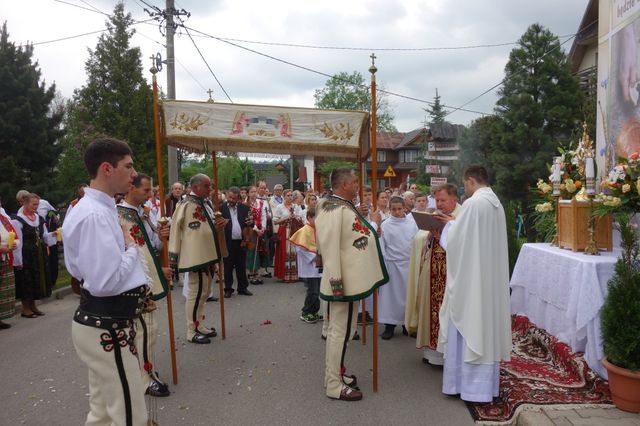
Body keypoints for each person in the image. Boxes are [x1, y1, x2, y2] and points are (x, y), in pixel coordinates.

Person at [62, 137, 149, 425]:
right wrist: (131, 249)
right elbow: (105, 282)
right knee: (129, 412)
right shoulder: (95, 214)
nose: (134, 174)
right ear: (106, 169)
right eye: (128, 166)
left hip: (105, 323)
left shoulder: (96, 209)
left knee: (101, 412)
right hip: (106, 326)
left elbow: (81, 270)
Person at [437, 166, 512, 403]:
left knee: (468, 323)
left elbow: (456, 241)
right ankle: (483, 388)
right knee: (484, 326)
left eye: (464, 185)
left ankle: (464, 386)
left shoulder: (473, 204)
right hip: (487, 276)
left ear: (470, 181)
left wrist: (449, 225)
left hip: (471, 280)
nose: (464, 190)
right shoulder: (495, 203)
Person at [315, 167, 389, 402]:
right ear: (344, 185)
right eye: (355, 182)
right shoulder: (333, 208)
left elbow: (350, 238)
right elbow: (334, 245)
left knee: (345, 331)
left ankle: (335, 375)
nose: (358, 186)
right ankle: (333, 384)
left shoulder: (339, 206)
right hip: (342, 282)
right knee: (339, 332)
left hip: (348, 280)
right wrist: (375, 224)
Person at [118, 173, 172, 398]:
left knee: (146, 329)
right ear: (132, 189)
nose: (150, 195)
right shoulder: (120, 216)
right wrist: (158, 271)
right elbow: (130, 252)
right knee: (145, 329)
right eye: (146, 191)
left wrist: (161, 235)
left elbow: (152, 247)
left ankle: (145, 370)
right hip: (135, 282)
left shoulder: (143, 214)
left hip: (146, 278)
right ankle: (144, 378)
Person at [405, 183, 461, 365]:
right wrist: (429, 237)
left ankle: (447, 356)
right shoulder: (434, 215)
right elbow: (420, 241)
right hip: (432, 273)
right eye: (437, 200)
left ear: (455, 199)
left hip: (451, 276)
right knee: (430, 309)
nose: (439, 204)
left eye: (443, 200)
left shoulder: (462, 217)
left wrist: (447, 232)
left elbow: (464, 245)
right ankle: (431, 353)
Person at [169, 173, 224, 344]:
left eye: (210, 186)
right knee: (196, 292)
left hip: (207, 255)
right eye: (206, 186)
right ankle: (191, 330)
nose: (210, 189)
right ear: (195, 187)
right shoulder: (185, 204)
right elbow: (175, 229)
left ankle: (199, 324)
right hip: (195, 257)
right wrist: (173, 256)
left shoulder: (203, 203)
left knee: (204, 293)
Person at [378, 197, 418, 340]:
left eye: (399, 209)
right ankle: (390, 327)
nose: (396, 212)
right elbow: (382, 246)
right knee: (391, 298)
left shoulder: (413, 224)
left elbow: (416, 242)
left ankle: (407, 326)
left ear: (404, 208)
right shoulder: (385, 225)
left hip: (408, 264)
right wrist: (383, 266)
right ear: (390, 209)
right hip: (392, 265)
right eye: (393, 209)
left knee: (408, 297)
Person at [13, 193, 57, 317]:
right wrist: (18, 260)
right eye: (34, 204)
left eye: (37, 204)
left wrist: (53, 234)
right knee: (26, 280)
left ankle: (33, 306)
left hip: (38, 254)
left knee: (36, 279)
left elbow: (44, 236)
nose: (36, 207)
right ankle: (25, 308)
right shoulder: (18, 220)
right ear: (25, 203)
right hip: (26, 254)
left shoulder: (38, 218)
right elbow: (18, 241)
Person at [290, 208, 322, 323]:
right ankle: (306, 312)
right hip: (310, 266)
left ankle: (314, 311)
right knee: (312, 291)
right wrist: (314, 257)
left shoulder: (320, 230)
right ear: (309, 217)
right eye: (316, 217)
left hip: (319, 266)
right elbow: (299, 248)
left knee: (317, 291)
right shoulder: (304, 230)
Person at [221, 186, 253, 298]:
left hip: (242, 241)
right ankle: (228, 289)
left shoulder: (244, 208)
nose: (231, 200)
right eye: (230, 197)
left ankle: (242, 288)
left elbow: (250, 223)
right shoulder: (221, 208)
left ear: (238, 197)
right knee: (228, 266)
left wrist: (251, 222)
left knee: (241, 266)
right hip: (228, 241)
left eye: (234, 198)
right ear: (227, 195)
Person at [273, 189, 304, 283]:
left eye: (291, 195)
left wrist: (295, 217)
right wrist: (285, 218)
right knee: (284, 251)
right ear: (284, 196)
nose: (290, 197)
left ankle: (294, 275)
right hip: (284, 231)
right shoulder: (279, 207)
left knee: (295, 251)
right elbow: (275, 221)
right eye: (288, 195)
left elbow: (301, 218)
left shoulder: (296, 207)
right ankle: (284, 275)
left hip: (294, 231)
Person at [0, 201, 20, 329]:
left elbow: (15, 236)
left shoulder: (3, 219)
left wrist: (14, 245)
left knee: (3, 290)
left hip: (5, 259)